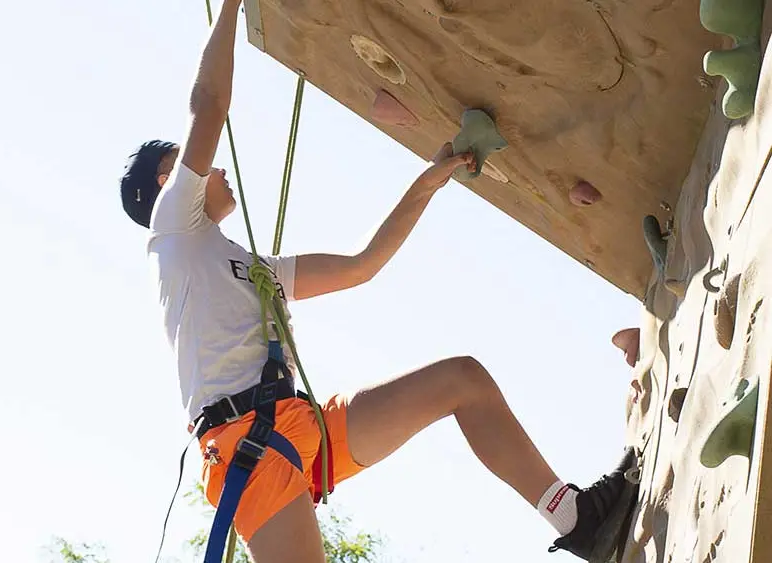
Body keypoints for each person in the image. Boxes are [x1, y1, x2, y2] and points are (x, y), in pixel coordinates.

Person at [119, 1, 636, 561]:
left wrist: (430, 181)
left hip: (299, 427)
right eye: (193, 163)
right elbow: (210, 105)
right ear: (169, 182)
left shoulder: (249, 269)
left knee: (462, 380)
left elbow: (364, 264)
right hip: (248, 447)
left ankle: (575, 519)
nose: (216, 168)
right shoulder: (171, 233)